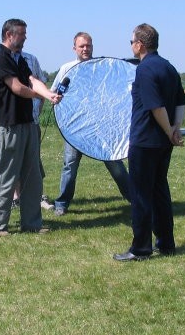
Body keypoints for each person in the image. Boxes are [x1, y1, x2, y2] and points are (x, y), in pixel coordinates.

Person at [114, 23, 185, 262]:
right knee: (159, 192)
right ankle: (166, 243)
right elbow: (180, 103)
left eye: (131, 41)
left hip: (145, 141)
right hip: (163, 144)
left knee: (141, 195)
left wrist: (169, 131)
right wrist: (175, 130)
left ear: (140, 44)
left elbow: (155, 107)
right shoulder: (169, 67)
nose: (131, 45)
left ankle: (140, 248)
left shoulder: (144, 70)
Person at [0, 19, 61, 236]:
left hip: (28, 123)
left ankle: (32, 223)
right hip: (10, 126)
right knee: (7, 176)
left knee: (32, 176)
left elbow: (31, 80)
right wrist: (40, 94)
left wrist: (48, 94)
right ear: (9, 35)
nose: (25, 37)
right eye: (22, 33)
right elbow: (18, 88)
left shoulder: (18, 59)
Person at [50, 31, 131, 216]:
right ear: (74, 48)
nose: (85, 49)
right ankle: (62, 203)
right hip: (74, 129)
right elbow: (54, 94)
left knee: (115, 164)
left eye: (88, 45)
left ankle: (134, 199)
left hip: (101, 128)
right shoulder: (66, 69)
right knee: (70, 165)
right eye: (81, 46)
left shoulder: (102, 67)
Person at [0, 53, 55, 211]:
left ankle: (34, 199)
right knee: (9, 166)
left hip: (32, 121)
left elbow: (38, 82)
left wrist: (40, 103)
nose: (24, 38)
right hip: (10, 122)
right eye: (21, 34)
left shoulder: (31, 59)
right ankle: (13, 198)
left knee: (33, 164)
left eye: (25, 34)